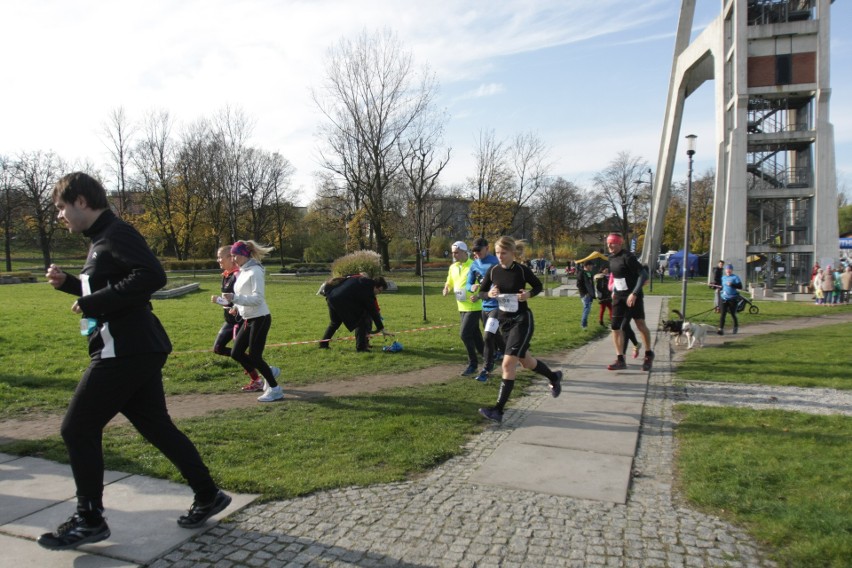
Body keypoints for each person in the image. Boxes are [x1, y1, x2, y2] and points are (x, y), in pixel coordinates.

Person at [40, 172, 231, 551]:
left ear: (81, 200)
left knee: (76, 429)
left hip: (125, 348)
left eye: (61, 207)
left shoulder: (115, 233)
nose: (59, 216)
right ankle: (208, 494)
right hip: (134, 345)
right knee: (156, 426)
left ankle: (89, 518)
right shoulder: (100, 240)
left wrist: (93, 301)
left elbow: (151, 276)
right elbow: (111, 290)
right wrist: (71, 286)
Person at [476, 236, 563, 423]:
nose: (499, 256)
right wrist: (489, 294)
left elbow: (538, 286)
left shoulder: (522, 271)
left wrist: (528, 294)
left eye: (503, 253)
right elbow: (481, 293)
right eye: (497, 253)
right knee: (526, 361)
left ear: (512, 253)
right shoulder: (493, 270)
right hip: (504, 321)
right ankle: (554, 377)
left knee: (508, 364)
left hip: (522, 320)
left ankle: (498, 410)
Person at [222, 240, 282, 402]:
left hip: (260, 318)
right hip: (248, 318)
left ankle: (275, 389)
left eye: (235, 255)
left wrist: (235, 298)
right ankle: (269, 371)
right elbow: (244, 295)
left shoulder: (255, 271)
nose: (232, 259)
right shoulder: (243, 271)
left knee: (255, 356)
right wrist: (235, 305)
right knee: (236, 353)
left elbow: (257, 298)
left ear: (244, 255)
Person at [210, 245, 263, 392]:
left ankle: (257, 378)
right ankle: (259, 367)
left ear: (230, 257)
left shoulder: (238, 275)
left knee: (237, 352)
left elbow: (240, 298)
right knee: (218, 348)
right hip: (229, 320)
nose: (218, 260)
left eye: (220, 257)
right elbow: (228, 301)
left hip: (240, 320)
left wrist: (223, 302)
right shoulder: (226, 275)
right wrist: (221, 302)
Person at [605, 232, 655, 371]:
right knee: (615, 327)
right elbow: (616, 277)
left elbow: (643, 274)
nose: (610, 245)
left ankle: (648, 354)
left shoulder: (628, 257)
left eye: (613, 242)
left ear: (620, 243)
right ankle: (620, 359)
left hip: (633, 297)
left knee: (640, 324)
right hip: (619, 297)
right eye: (608, 242)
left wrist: (634, 293)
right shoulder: (611, 258)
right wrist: (614, 291)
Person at [467, 237, 506, 382]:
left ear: (487, 248)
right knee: (495, 335)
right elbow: (468, 283)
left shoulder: (496, 262)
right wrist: (472, 287)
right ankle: (508, 354)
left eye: (479, 250)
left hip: (499, 306)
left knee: (488, 335)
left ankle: (487, 368)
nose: (476, 253)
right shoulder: (474, 265)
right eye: (474, 251)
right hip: (485, 306)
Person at [442, 241, 483, 376]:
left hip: (474, 305)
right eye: (453, 252)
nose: (454, 255)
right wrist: (447, 287)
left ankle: (473, 364)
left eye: (456, 252)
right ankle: (489, 357)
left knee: (464, 334)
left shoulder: (474, 265)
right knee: (475, 334)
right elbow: (450, 281)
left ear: (465, 252)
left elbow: (484, 282)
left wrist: (477, 293)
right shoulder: (453, 267)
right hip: (461, 306)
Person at [322, 275, 391, 352]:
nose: (378, 293)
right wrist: (382, 329)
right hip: (341, 300)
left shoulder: (361, 280)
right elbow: (373, 311)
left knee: (335, 323)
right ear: (375, 286)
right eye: (379, 291)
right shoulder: (367, 291)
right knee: (361, 321)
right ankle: (361, 348)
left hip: (331, 297)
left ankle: (323, 344)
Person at [717, 263, 743, 335]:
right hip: (724, 298)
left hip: (733, 299)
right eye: (727, 270)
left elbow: (740, 286)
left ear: (732, 270)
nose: (728, 271)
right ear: (725, 271)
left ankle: (735, 327)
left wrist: (732, 284)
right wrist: (717, 287)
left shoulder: (735, 277)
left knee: (733, 314)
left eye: (730, 270)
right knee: (723, 314)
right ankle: (720, 329)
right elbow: (722, 286)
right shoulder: (723, 278)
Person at [576, 260, 596, 329]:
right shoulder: (581, 273)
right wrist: (585, 293)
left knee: (588, 309)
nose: (592, 267)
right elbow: (579, 285)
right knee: (586, 308)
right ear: (587, 266)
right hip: (585, 295)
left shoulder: (589, 273)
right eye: (591, 265)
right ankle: (583, 325)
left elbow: (591, 284)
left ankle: (585, 324)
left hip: (590, 294)